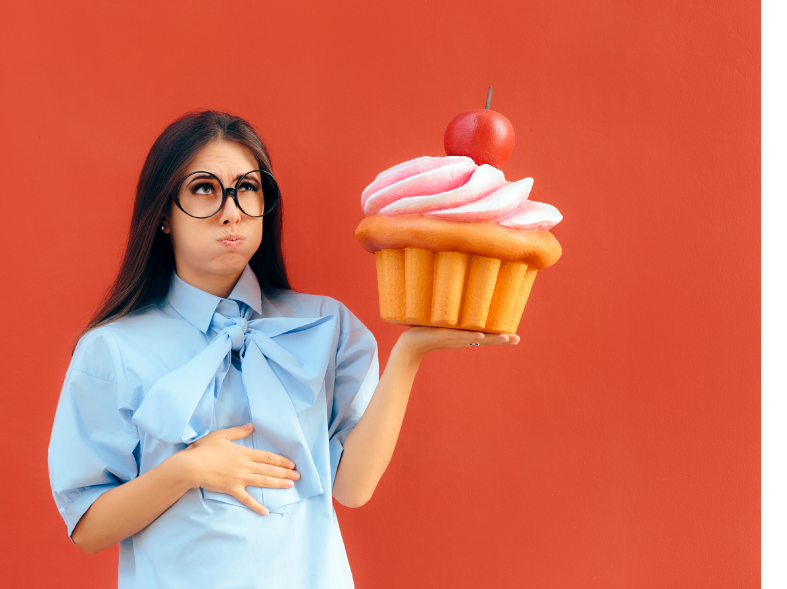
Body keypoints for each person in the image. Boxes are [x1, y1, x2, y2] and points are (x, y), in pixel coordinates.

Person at [47, 110, 520, 588]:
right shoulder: (111, 350)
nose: (231, 210)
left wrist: (409, 353)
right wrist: (186, 470)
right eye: (204, 189)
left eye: (247, 188)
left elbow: (352, 488)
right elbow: (87, 528)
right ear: (164, 214)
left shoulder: (326, 325)